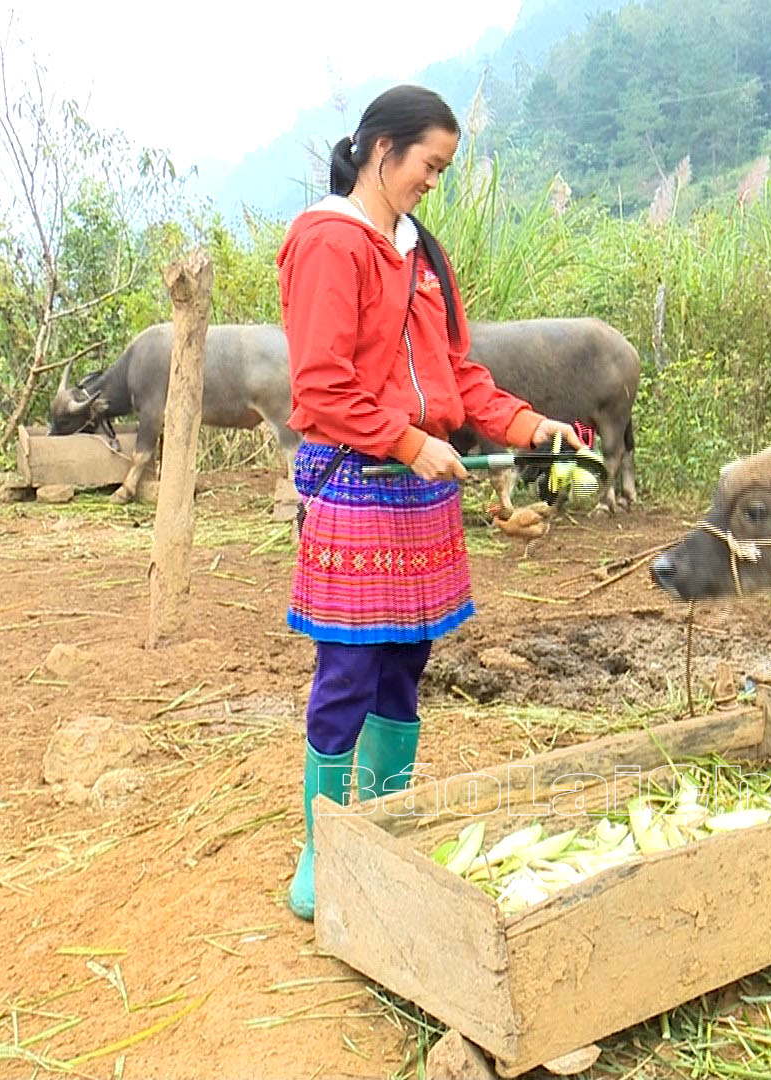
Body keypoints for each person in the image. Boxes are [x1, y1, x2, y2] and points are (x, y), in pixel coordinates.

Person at [275, 84, 581, 921]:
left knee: (407, 661)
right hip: (357, 481)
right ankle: (324, 845)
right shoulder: (329, 244)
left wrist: (529, 425)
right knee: (347, 667)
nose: (431, 183)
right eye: (429, 167)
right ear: (383, 151)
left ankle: (383, 825)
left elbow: (460, 378)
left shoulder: (422, 252)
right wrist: (409, 440)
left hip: (422, 491)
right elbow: (324, 387)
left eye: (443, 171)